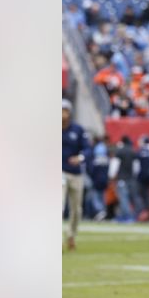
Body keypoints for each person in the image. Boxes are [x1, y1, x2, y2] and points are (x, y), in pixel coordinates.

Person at [61, 99, 88, 250]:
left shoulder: (77, 130)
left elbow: (87, 149)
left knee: (77, 209)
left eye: (65, 110)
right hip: (59, 172)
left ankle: (71, 235)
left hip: (76, 173)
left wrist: (80, 157)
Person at [112, 136, 136, 223]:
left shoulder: (120, 152)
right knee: (129, 198)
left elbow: (115, 165)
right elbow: (136, 167)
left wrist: (111, 176)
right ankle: (125, 215)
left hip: (122, 178)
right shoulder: (133, 151)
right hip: (131, 178)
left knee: (123, 198)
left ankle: (127, 216)